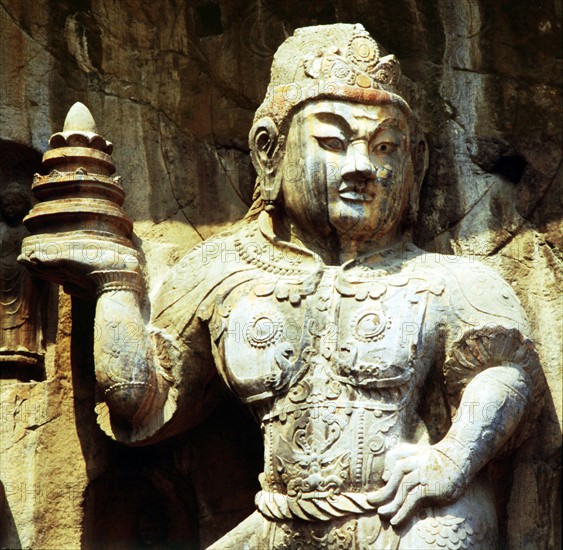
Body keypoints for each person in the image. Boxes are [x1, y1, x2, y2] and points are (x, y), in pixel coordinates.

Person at [22, 24, 542, 549]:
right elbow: (141, 398)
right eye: (333, 142)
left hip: (411, 518)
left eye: (385, 147)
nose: (362, 167)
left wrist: (451, 459)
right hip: (280, 519)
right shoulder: (222, 272)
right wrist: (116, 283)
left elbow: (504, 373)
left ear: (416, 162)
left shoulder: (446, 280)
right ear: (269, 151)